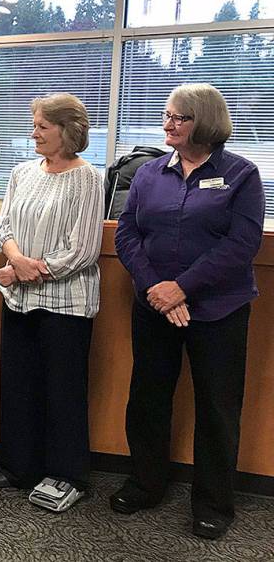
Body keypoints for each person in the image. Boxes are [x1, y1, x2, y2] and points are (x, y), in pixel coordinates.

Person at [112, 83, 264, 540]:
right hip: (154, 307)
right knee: (148, 397)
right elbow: (127, 235)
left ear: (207, 123)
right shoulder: (149, 173)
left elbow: (242, 244)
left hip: (218, 311)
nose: (168, 125)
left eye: (180, 117)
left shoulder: (242, 175)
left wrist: (182, 288)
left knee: (217, 407)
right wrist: (156, 288)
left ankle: (214, 504)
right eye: (166, 115)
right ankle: (146, 483)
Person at [0, 93, 104, 513]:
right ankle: (19, 466)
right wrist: (15, 260)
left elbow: (83, 250)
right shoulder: (22, 172)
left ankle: (67, 473)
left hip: (65, 303)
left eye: (41, 127)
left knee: (63, 389)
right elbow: (4, 228)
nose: (33, 133)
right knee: (18, 384)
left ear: (67, 132)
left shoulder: (88, 178)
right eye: (34, 125)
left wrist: (24, 270)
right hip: (19, 299)